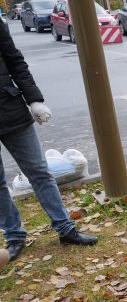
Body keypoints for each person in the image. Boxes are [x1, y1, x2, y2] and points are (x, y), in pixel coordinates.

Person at [0, 19, 98, 262]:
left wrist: (34, 99)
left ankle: (66, 230)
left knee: (40, 173)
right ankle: (14, 236)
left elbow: (15, 62)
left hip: (10, 110)